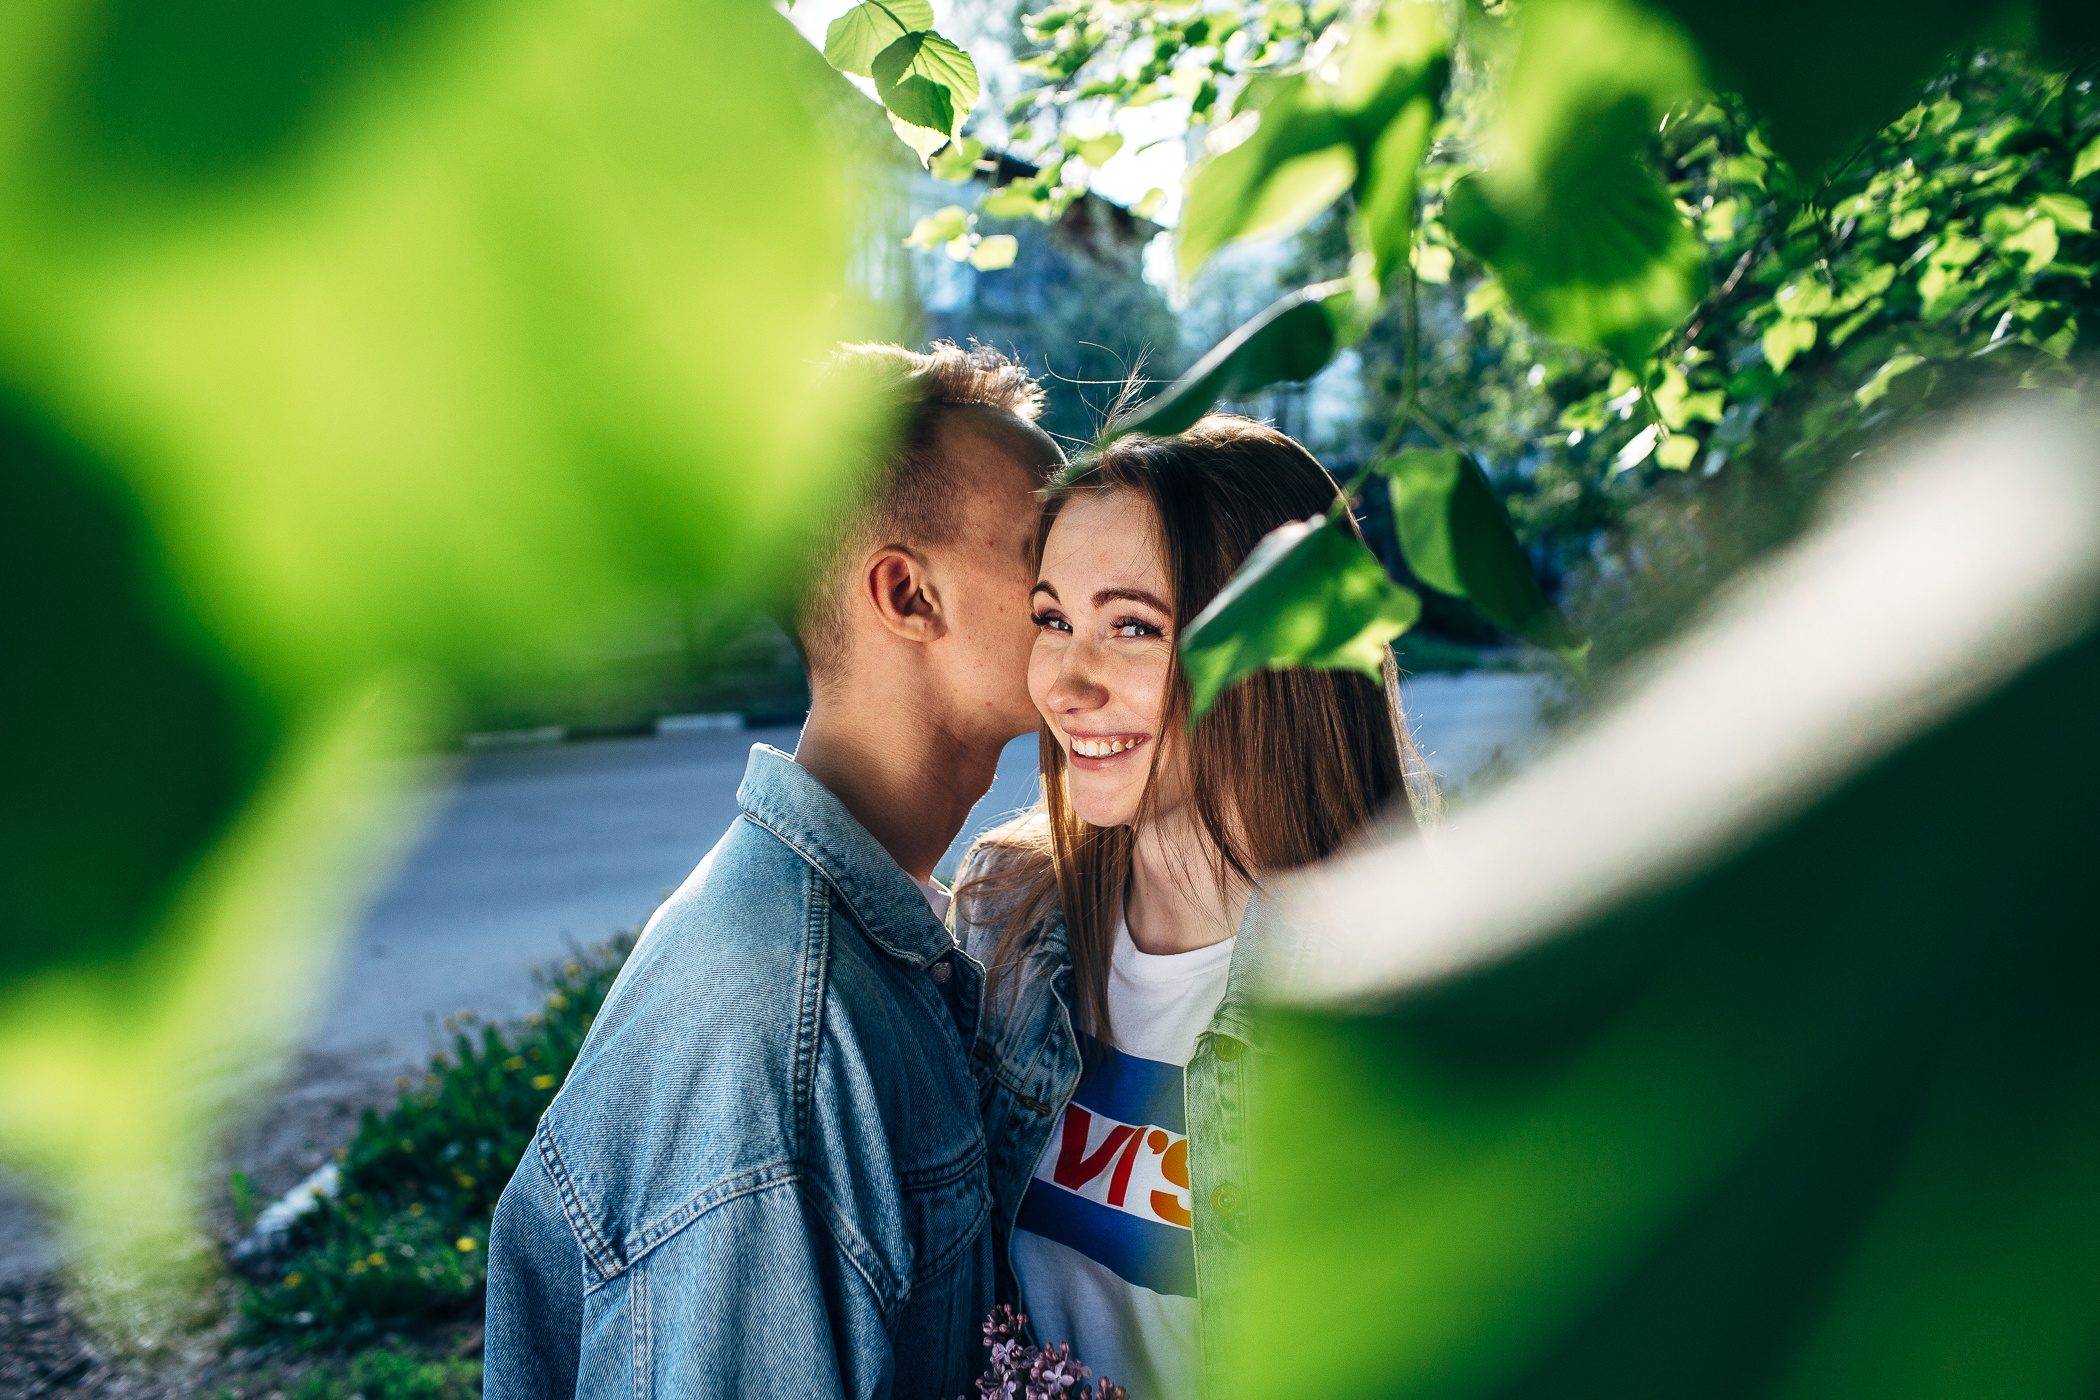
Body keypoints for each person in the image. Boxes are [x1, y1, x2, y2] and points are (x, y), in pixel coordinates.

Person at [485, 342, 1065, 1399]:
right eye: (1043, 550)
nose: (1079, 586)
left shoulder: (870, 937)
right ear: (908, 594)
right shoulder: (781, 1034)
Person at [953, 416, 1432, 1400]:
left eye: (1133, 626)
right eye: (1053, 619)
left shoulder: (1395, 985)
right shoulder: (1008, 915)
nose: (1066, 683)